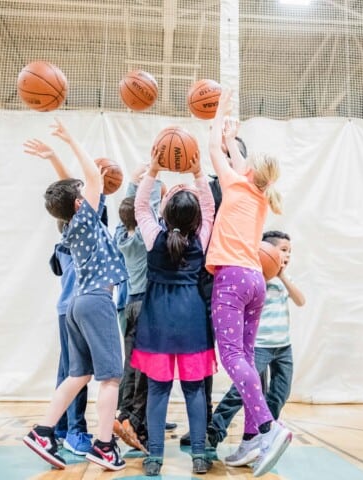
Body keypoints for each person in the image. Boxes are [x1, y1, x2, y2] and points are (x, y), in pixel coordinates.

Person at [22, 119, 127, 472]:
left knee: (78, 375)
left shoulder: (71, 223)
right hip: (96, 301)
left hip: (77, 305)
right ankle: (103, 445)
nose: (87, 193)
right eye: (82, 194)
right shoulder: (84, 219)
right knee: (110, 377)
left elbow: (71, 190)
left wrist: (54, 157)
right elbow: (92, 180)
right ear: (81, 204)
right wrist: (70, 139)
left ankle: (43, 431)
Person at [205, 88, 290, 478]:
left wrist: (219, 116)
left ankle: (270, 428)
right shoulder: (258, 193)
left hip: (233, 281)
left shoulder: (237, 185)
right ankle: (252, 437)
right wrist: (230, 136)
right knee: (247, 356)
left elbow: (213, 152)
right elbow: (235, 158)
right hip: (256, 280)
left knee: (233, 358)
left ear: (249, 172)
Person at [130, 148, 217, 476]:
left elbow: (140, 207)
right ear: (196, 218)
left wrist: (153, 170)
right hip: (193, 320)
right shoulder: (202, 238)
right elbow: (209, 208)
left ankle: (154, 457)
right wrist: (197, 173)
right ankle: (198, 454)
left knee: (157, 389)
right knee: (195, 389)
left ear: (164, 213)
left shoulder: (154, 237)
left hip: (158, 322)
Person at [208, 230, 306, 458]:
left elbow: (301, 301)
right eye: (282, 250)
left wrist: (282, 276)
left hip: (282, 346)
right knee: (242, 390)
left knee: (280, 392)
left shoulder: (283, 282)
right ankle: (216, 428)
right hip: (260, 345)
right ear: (266, 251)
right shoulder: (257, 278)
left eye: (290, 252)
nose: (287, 255)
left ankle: (264, 433)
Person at [23, 139, 92, 456]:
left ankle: (62, 427)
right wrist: (57, 156)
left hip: (68, 309)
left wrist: (53, 157)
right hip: (79, 310)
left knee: (68, 370)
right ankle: (75, 430)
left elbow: (70, 196)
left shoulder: (68, 231)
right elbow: (77, 194)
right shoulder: (81, 229)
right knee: (78, 372)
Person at [181, 131, 248, 448]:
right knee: (205, 357)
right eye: (219, 151)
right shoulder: (207, 192)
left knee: (247, 361)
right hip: (207, 285)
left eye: (228, 151)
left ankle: (255, 426)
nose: (221, 156)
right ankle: (205, 425)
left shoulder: (247, 190)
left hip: (240, 284)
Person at [113, 165, 164, 454]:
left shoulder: (122, 238)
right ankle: (136, 424)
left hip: (129, 305)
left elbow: (131, 214)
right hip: (146, 305)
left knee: (130, 364)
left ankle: (121, 414)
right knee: (146, 369)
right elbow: (150, 210)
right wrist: (150, 180)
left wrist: (134, 185)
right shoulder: (146, 239)